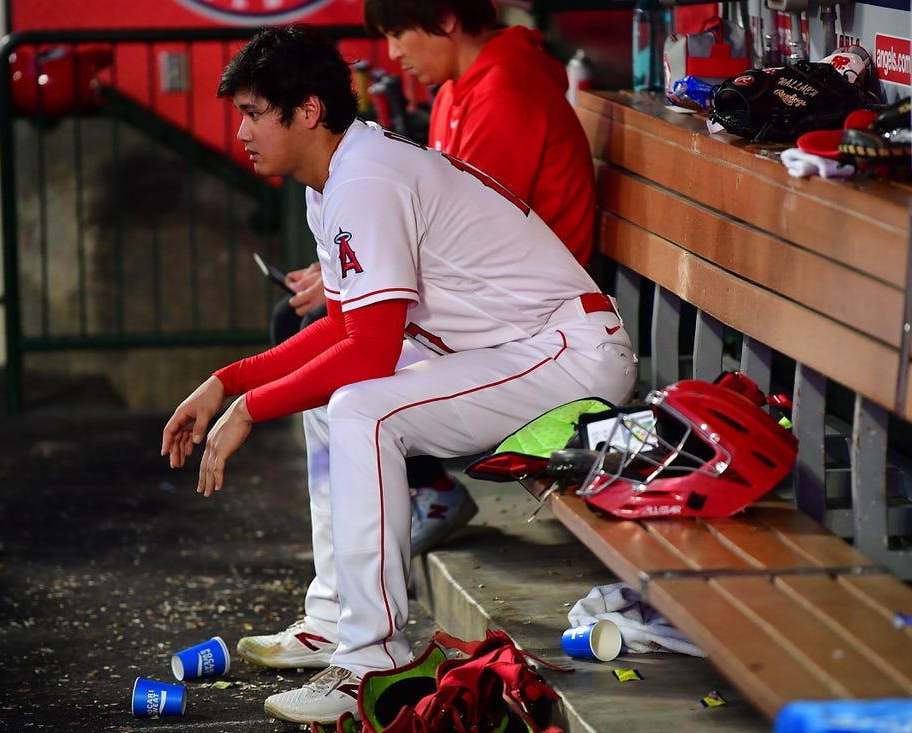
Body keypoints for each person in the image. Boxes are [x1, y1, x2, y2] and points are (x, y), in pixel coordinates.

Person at [161, 25, 635, 724]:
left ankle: (371, 659)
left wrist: (250, 408)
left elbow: (371, 353)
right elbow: (346, 329)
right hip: (507, 348)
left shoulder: (366, 178)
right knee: (333, 403)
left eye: (255, 113)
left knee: (360, 406)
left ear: (309, 111)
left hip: (567, 352)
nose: (243, 132)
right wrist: (227, 381)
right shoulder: (333, 178)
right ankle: (334, 617)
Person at [245, 2, 599, 671]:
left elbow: (472, 236)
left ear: (444, 19)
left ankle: (378, 631)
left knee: (351, 388)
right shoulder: (456, 93)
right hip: (482, 326)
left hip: (531, 331)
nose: (392, 51)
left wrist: (358, 274)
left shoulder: (508, 85)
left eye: (399, 31)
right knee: (325, 382)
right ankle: (333, 615)